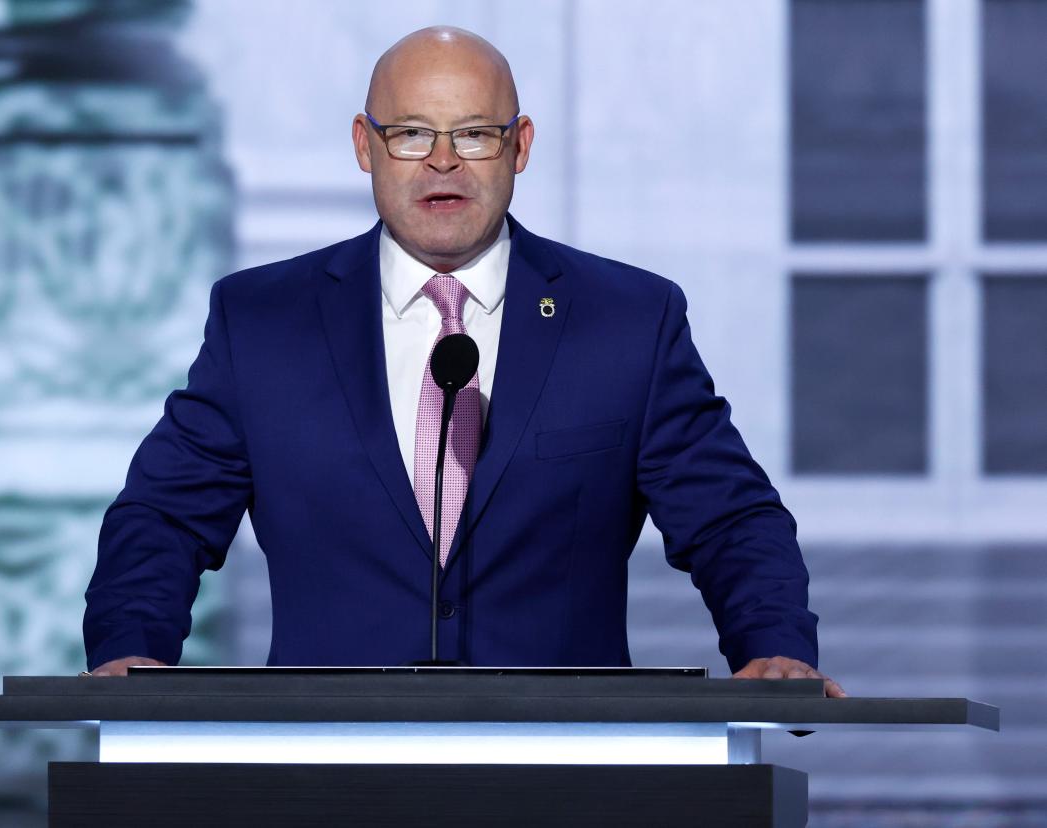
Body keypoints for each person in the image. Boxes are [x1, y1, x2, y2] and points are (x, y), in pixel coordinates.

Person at [82, 26, 845, 698]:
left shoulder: (627, 322)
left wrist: (772, 649)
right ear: (363, 145)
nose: (442, 162)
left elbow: (731, 520)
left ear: (521, 146)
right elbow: (165, 516)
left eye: (474, 134)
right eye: (411, 134)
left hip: (569, 772)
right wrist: (130, 650)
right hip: (324, 765)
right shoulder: (262, 322)